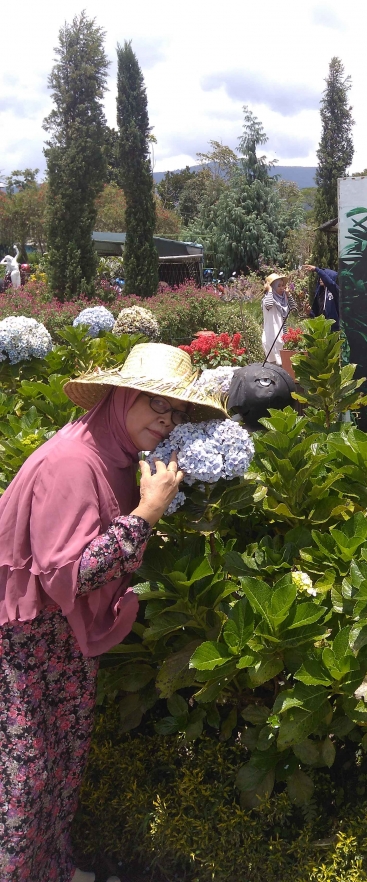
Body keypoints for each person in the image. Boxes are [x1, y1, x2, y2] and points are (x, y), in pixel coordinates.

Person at [0, 343, 226, 882]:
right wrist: (148, 512)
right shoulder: (73, 463)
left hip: (60, 642)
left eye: (175, 411)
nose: (166, 419)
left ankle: (49, 870)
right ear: (121, 398)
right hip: (26, 642)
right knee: (23, 781)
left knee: (61, 765)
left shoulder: (116, 455)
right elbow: (69, 576)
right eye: (154, 404)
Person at [261, 273, 295, 365]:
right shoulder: (267, 299)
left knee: (285, 365)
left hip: (282, 337)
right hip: (272, 338)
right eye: (278, 286)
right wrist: (270, 290)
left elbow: (294, 308)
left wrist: (288, 294)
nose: (281, 288)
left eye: (282, 285)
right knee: (275, 366)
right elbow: (269, 304)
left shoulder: (283, 300)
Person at [302, 264, 339, 330]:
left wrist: (317, 269)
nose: (320, 279)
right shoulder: (320, 293)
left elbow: (331, 284)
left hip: (334, 329)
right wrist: (309, 312)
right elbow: (317, 315)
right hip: (323, 330)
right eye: (320, 277)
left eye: (323, 276)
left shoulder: (335, 291)